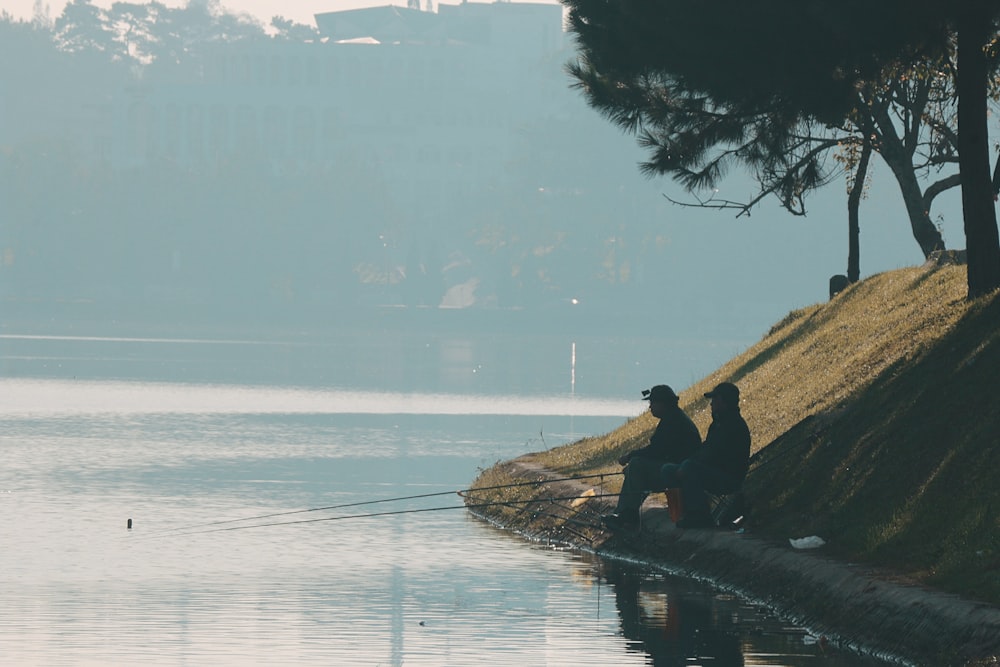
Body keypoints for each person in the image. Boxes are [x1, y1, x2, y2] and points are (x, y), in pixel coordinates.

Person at [601, 385, 701, 531]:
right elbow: (658, 451)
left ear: (662, 403)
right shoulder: (672, 417)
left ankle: (627, 515)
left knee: (636, 465)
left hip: (676, 471)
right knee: (634, 469)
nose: (650, 407)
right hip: (674, 467)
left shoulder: (673, 421)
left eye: (652, 403)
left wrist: (629, 456)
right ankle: (624, 513)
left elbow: (655, 451)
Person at [661, 381, 751, 529]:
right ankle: (678, 513)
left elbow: (712, 454)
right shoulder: (717, 423)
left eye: (714, 400)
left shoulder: (734, 425)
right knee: (668, 469)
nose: (711, 404)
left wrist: (688, 464)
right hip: (713, 471)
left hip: (728, 477)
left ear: (723, 401)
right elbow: (706, 449)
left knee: (689, 468)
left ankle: (699, 516)